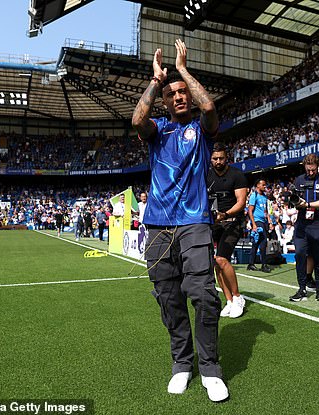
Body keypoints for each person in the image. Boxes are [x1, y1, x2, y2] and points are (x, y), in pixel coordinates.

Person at [131, 39, 227, 401]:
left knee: (202, 294)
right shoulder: (157, 130)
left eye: (182, 91)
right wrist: (157, 81)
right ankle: (182, 364)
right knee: (168, 298)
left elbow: (211, 107)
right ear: (166, 102)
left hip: (194, 223)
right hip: (157, 225)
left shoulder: (202, 130)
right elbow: (136, 119)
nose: (180, 96)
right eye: (173, 94)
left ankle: (211, 369)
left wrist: (183, 70)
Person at [207, 142, 249, 318]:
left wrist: (225, 214)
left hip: (233, 221)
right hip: (213, 222)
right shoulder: (206, 175)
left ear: (227, 158)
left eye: (221, 158)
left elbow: (241, 202)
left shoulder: (237, 175)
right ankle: (229, 300)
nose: (218, 161)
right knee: (215, 263)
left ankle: (238, 297)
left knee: (222, 259)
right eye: (215, 158)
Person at [289, 154, 319, 302]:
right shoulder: (299, 180)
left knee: (317, 256)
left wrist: (307, 205)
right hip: (302, 223)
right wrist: (295, 201)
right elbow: (294, 200)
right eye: (308, 170)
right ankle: (302, 288)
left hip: (318, 223)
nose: (311, 173)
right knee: (300, 254)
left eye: (313, 170)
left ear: (317, 166)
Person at [246, 178, 272, 273]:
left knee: (257, 243)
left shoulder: (264, 197)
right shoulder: (254, 195)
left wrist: (269, 221)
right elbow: (250, 210)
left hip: (263, 222)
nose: (265, 187)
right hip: (257, 221)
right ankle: (263, 264)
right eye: (263, 185)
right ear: (257, 185)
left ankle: (251, 264)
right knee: (262, 242)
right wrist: (254, 224)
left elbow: (266, 211)